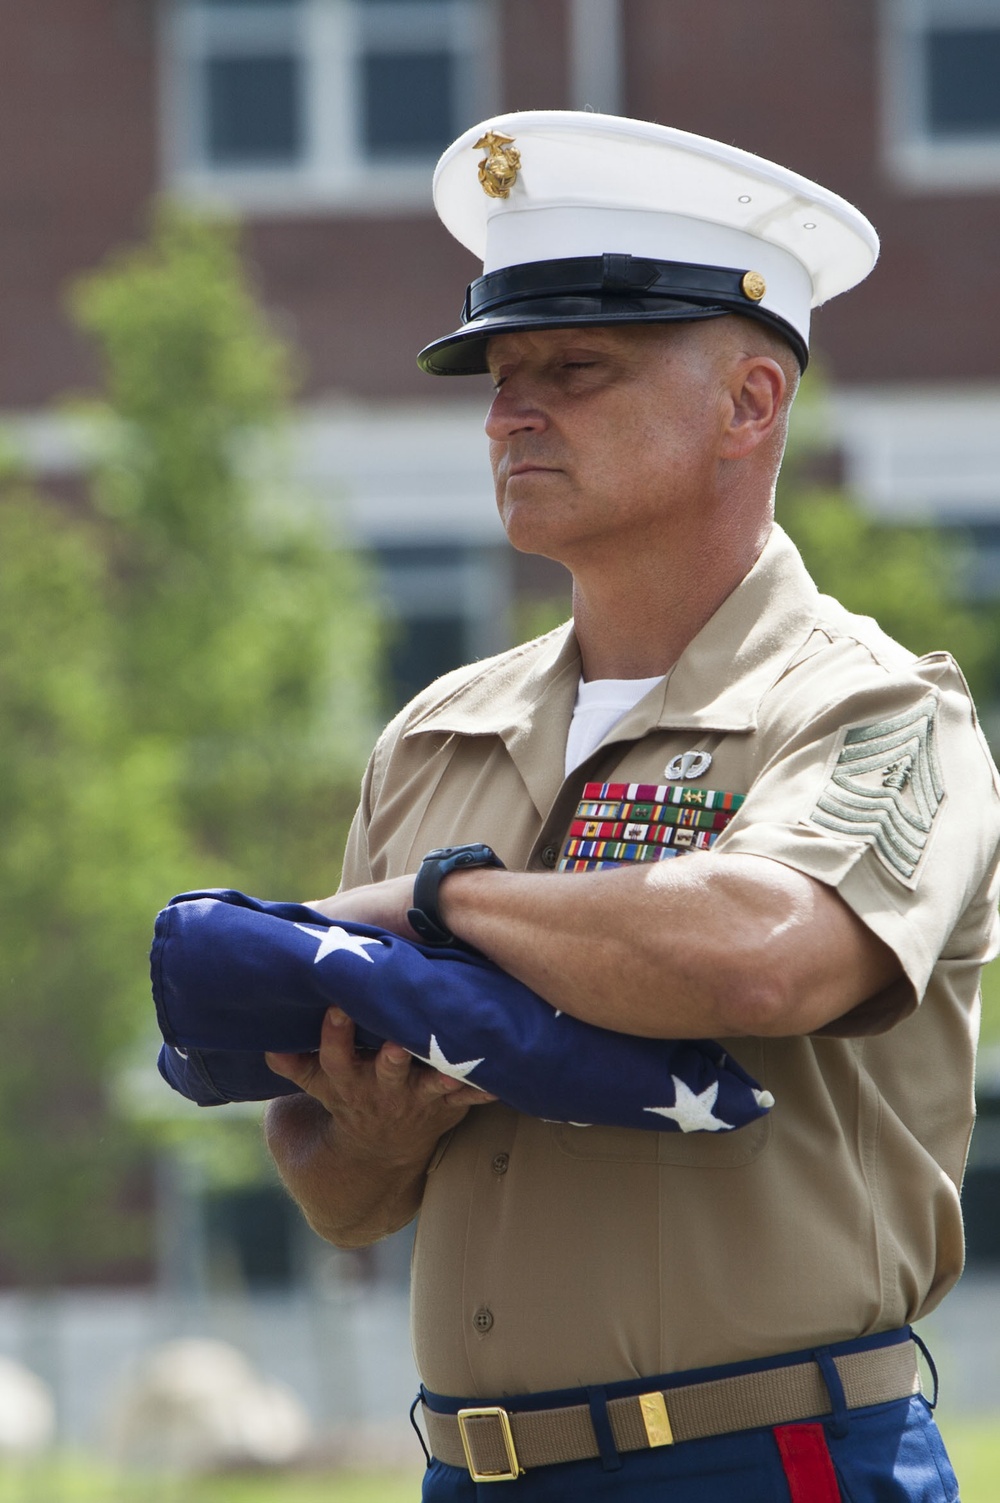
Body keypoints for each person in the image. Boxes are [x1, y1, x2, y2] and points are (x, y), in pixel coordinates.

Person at [264, 112, 1000, 1501]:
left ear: (750, 405)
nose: (508, 411)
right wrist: (371, 1137)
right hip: (472, 1472)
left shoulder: (878, 708)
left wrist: (440, 904)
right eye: (496, 374)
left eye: (574, 368)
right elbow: (341, 1197)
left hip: (763, 1462)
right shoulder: (439, 731)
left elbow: (765, 955)